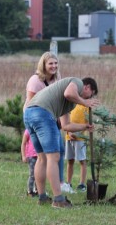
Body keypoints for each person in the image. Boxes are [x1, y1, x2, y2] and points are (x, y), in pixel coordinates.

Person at [23, 77, 99, 208]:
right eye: (90, 95)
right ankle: (58, 199)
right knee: (54, 157)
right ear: (86, 87)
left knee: (42, 158)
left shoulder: (69, 103)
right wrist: (85, 102)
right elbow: (69, 93)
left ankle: (42, 197)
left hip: (29, 114)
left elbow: (66, 125)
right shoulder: (77, 82)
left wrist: (85, 127)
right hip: (42, 113)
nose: (89, 98)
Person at [23, 52, 71, 193]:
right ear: (43, 65)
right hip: (38, 118)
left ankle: (46, 190)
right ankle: (54, 194)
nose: (54, 66)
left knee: (54, 153)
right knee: (47, 156)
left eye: (56, 63)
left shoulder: (57, 80)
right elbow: (32, 104)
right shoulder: (35, 80)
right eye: (50, 63)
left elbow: (59, 101)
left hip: (50, 118)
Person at [64, 104, 89, 192]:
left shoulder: (86, 106)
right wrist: (69, 132)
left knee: (82, 160)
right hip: (69, 137)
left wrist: (78, 133)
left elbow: (88, 123)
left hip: (80, 139)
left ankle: (82, 184)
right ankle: (68, 183)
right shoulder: (71, 104)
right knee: (70, 160)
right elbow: (65, 121)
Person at [21, 129, 38, 197]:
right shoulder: (28, 131)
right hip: (31, 156)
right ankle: (30, 191)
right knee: (32, 175)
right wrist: (23, 156)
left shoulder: (40, 129)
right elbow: (23, 143)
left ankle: (38, 190)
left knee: (39, 174)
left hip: (40, 155)